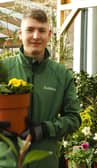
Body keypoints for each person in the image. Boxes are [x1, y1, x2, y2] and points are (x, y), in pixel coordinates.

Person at [1, 9, 81, 168]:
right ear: (20, 34)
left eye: (41, 30)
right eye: (30, 30)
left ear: (49, 35)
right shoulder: (3, 69)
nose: (36, 36)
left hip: (44, 162)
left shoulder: (61, 75)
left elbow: (74, 118)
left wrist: (45, 129)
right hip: (5, 161)